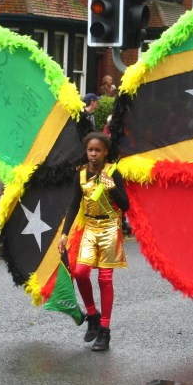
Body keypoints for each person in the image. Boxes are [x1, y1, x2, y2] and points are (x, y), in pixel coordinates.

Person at [58, 132, 129, 351]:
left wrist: (111, 187)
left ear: (105, 152)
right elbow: (73, 205)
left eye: (98, 150)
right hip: (90, 228)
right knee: (79, 272)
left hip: (109, 229)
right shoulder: (80, 175)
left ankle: (105, 331)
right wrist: (64, 233)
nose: (93, 154)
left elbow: (125, 205)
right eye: (90, 150)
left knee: (105, 280)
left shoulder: (113, 173)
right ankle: (92, 315)